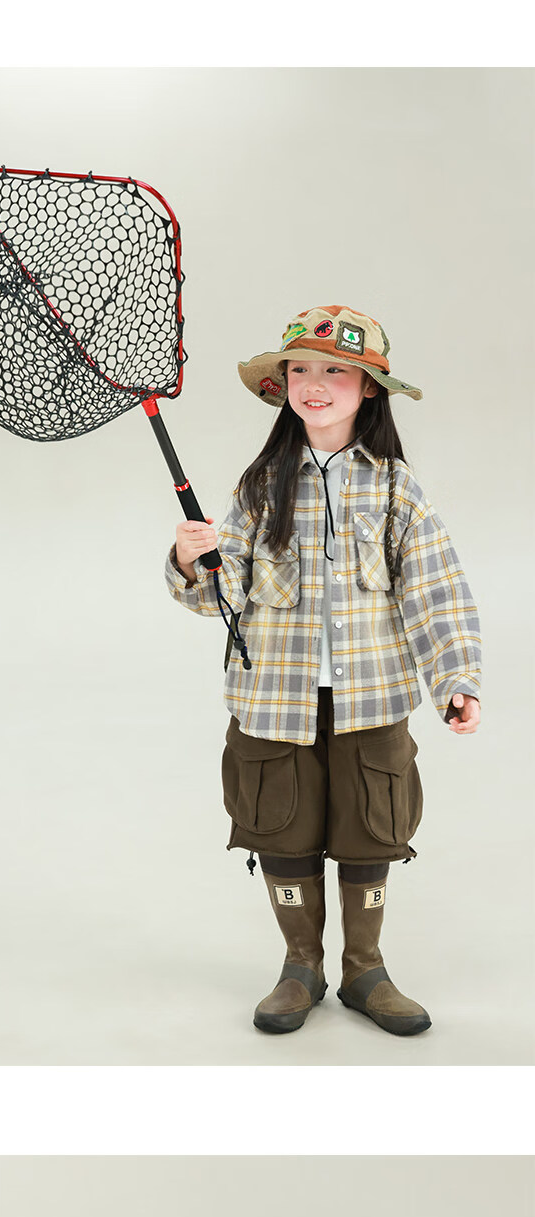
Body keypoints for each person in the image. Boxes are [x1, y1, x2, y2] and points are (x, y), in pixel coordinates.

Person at [166, 303, 481, 1039]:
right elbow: (223, 598)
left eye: (336, 370)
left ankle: (364, 968)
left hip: (372, 698)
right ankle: (300, 965)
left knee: (373, 827)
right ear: (281, 386)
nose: (314, 383)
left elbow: (436, 590)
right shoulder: (259, 486)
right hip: (274, 699)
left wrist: (455, 679)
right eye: (300, 369)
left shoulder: (396, 488)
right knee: (280, 825)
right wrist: (191, 560)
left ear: (368, 387)